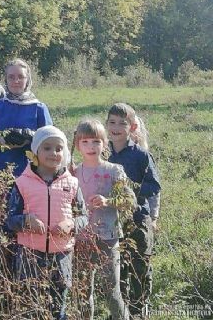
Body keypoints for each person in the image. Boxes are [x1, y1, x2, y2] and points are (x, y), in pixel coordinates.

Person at [6, 126, 87, 320]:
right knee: (29, 305)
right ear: (36, 151)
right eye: (47, 148)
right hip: (30, 253)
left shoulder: (72, 183)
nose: (54, 153)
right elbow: (9, 219)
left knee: (58, 305)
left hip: (62, 254)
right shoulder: (22, 183)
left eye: (59, 149)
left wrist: (71, 224)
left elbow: (84, 216)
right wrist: (26, 221)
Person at [72, 118, 135, 320]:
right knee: (83, 292)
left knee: (112, 291)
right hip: (81, 239)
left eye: (96, 142)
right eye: (85, 142)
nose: (91, 147)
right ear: (77, 145)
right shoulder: (73, 173)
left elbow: (130, 200)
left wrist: (108, 201)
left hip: (108, 237)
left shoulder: (114, 170)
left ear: (105, 143)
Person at [107, 103, 161, 320]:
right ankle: (120, 313)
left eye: (122, 123)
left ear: (133, 127)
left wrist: (129, 192)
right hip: (112, 221)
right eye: (112, 122)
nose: (116, 128)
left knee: (139, 267)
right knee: (118, 268)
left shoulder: (140, 155)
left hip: (138, 219)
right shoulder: (103, 152)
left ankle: (139, 311)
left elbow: (154, 186)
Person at [0, 58, 53, 177]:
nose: (16, 81)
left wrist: (30, 138)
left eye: (21, 77)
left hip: (30, 172)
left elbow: (50, 141)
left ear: (27, 79)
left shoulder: (38, 108)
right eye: (11, 77)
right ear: (6, 79)